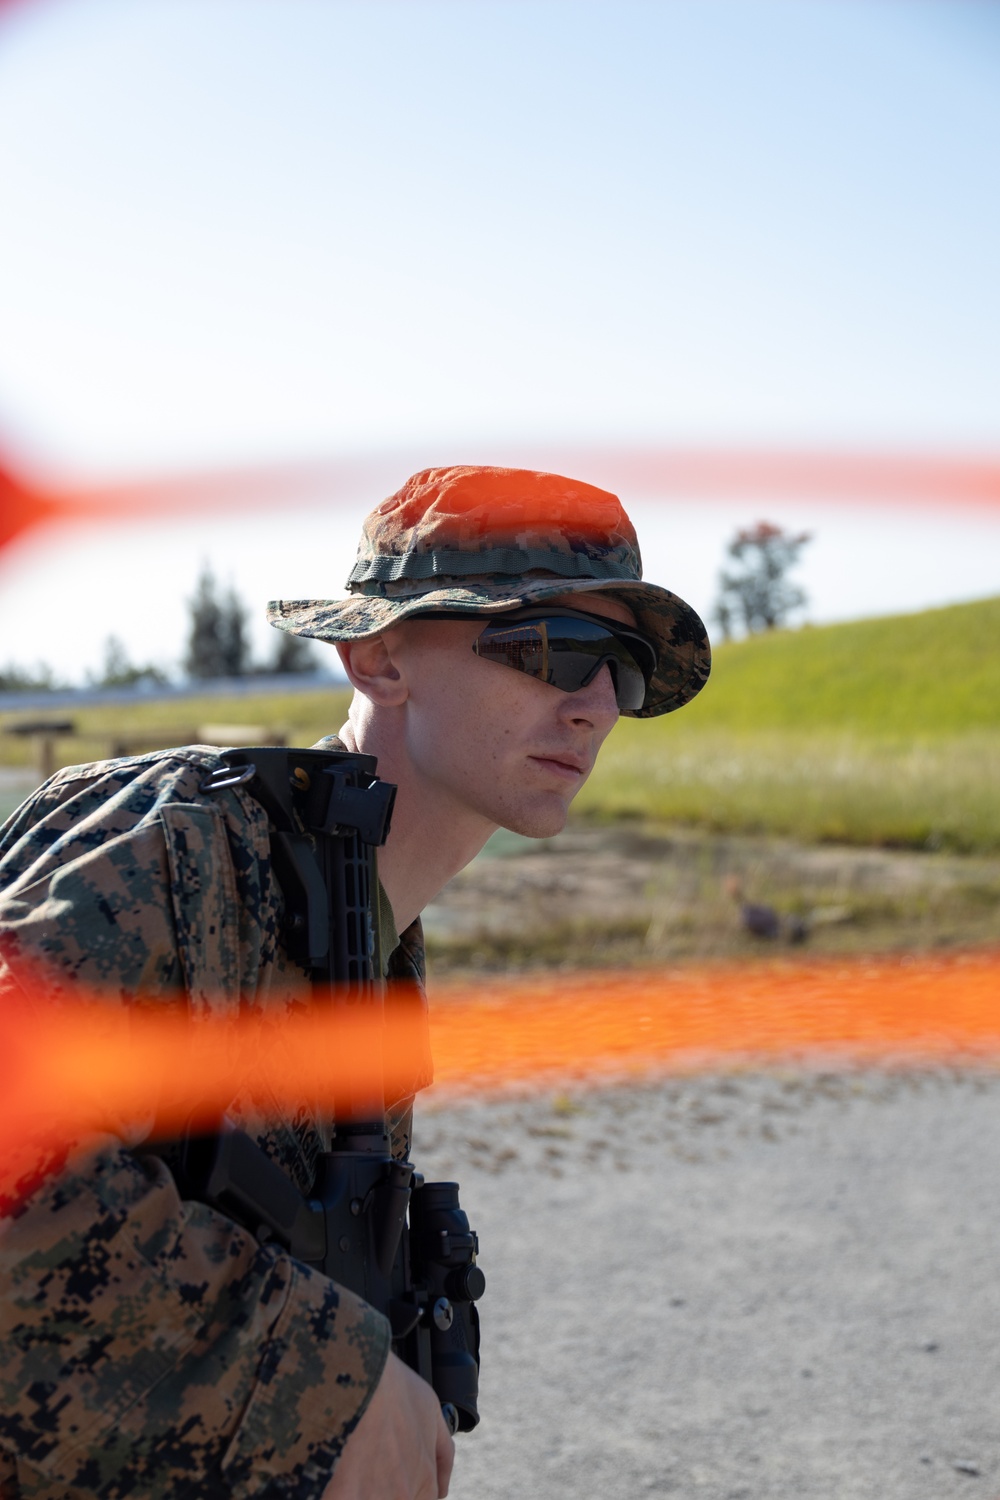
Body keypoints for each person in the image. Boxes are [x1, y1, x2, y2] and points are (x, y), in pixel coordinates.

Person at [0, 464, 710, 1500]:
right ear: (378, 656)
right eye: (555, 649)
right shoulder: (181, 844)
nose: (596, 706)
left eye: (627, 670)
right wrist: (324, 1380)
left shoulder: (361, 922)